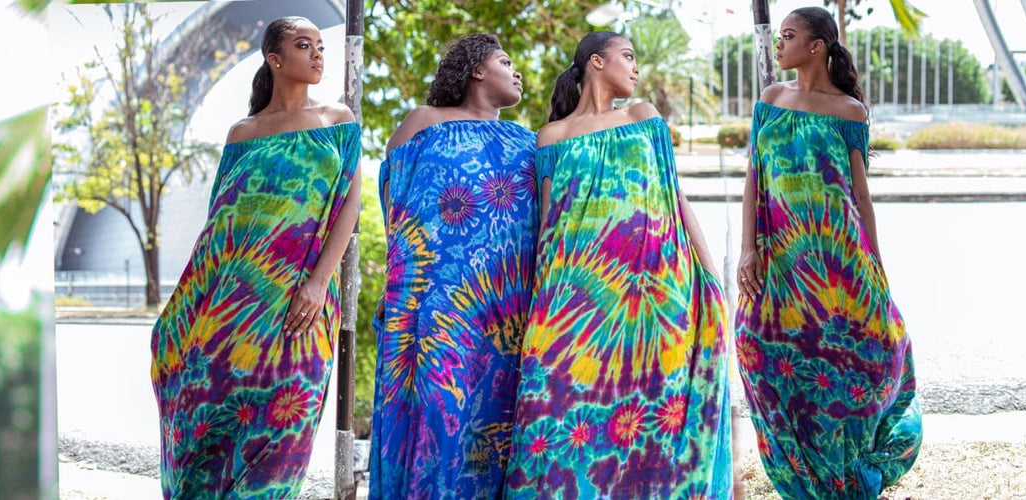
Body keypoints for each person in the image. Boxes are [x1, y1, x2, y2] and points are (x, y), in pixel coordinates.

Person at [501, 31, 732, 499]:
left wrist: (709, 280)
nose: (636, 67)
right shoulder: (552, 136)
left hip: (658, 295)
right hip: (576, 307)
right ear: (594, 62)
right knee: (552, 421)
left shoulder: (642, 116)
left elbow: (675, 197)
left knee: (657, 421)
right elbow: (548, 228)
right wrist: (539, 310)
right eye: (628, 56)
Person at [149, 16, 361, 498]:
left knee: (287, 425)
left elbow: (351, 203)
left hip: (302, 306)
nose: (317, 55)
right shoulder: (242, 133)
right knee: (217, 420)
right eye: (304, 45)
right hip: (233, 306)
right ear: (275, 58)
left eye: (321, 47)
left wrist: (319, 282)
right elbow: (218, 227)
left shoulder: (338, 121)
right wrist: (187, 309)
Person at [734, 7, 921, 499]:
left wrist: (876, 267)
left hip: (841, 263)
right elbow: (755, 177)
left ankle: (846, 469)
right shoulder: (770, 99)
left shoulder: (849, 111)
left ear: (817, 46)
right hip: (780, 259)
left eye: (790, 35)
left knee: (849, 362)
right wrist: (746, 249)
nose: (780, 43)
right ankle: (802, 471)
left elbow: (861, 196)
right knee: (759, 349)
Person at [368, 33, 538, 499]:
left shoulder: (530, 142)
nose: (517, 71)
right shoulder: (424, 122)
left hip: (508, 316)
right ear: (478, 69)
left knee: (498, 429)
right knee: (439, 420)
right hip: (438, 309)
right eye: (507, 60)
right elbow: (397, 209)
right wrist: (407, 299)